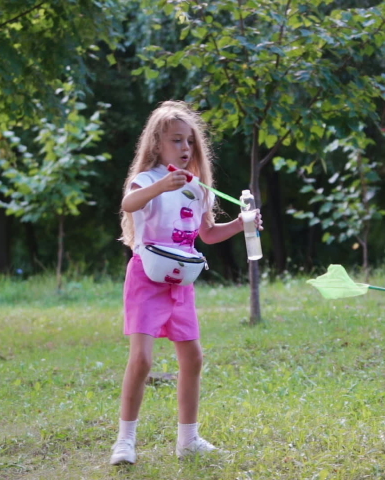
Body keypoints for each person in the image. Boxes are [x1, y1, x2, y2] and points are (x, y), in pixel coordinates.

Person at [111, 101, 263, 465]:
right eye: (176, 140)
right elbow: (130, 203)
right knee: (142, 359)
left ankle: (188, 439)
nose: (185, 148)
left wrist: (241, 224)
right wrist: (161, 184)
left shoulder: (199, 190)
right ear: (156, 146)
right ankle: (125, 440)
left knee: (193, 358)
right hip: (147, 279)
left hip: (181, 282)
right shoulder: (148, 181)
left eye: (190, 141)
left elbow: (207, 234)